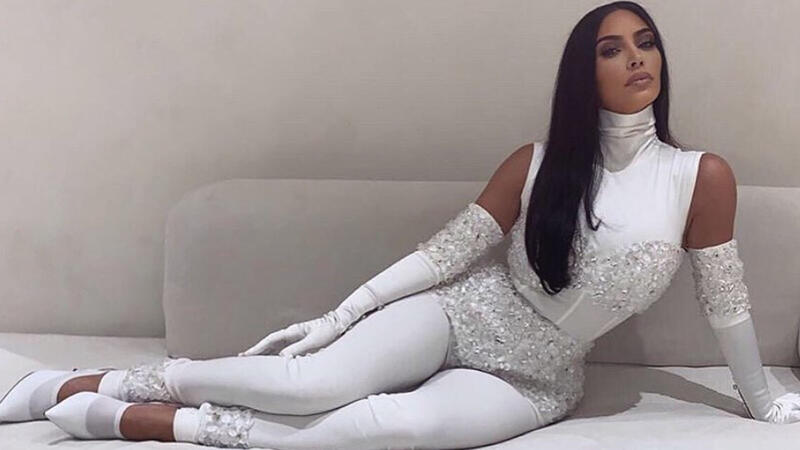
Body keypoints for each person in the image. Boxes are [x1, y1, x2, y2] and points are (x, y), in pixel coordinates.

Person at [3, 1, 800, 448]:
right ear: (581, 73)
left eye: (646, 44)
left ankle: (158, 424)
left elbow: (726, 302)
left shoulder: (700, 178)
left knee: (381, 429)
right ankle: (80, 385)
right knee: (314, 382)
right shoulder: (538, 161)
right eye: (612, 49)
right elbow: (450, 250)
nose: (637, 59)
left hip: (536, 376)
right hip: (460, 314)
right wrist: (342, 315)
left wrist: (761, 399)